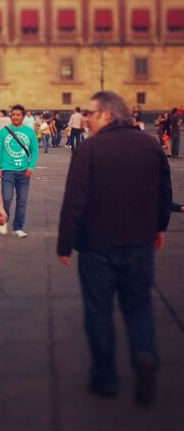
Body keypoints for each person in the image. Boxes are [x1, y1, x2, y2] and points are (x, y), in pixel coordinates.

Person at [57, 90, 171, 405]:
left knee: (99, 310)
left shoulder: (89, 149)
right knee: (139, 306)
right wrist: (159, 228)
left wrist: (65, 243)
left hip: (97, 245)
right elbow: (164, 190)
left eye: (91, 114)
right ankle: (144, 355)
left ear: (106, 114)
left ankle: (105, 378)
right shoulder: (150, 144)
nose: (87, 119)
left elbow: (74, 201)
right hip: (140, 241)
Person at [0, 104, 39, 238]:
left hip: (24, 172)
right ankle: (3, 221)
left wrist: (31, 167)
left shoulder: (29, 132)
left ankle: (18, 227)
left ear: (23, 117)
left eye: (18, 115)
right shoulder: (3, 131)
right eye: (13, 114)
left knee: (22, 201)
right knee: (6, 198)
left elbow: (35, 151)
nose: (15, 117)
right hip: (8, 170)